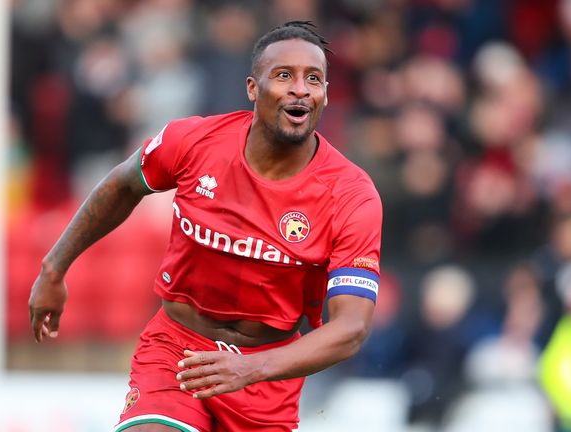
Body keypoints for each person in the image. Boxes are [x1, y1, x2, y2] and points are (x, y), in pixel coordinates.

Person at [29, 21, 382, 432]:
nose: (301, 89)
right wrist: (54, 268)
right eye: (284, 75)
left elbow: (351, 327)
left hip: (265, 375)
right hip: (177, 350)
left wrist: (250, 367)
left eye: (314, 79)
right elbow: (121, 185)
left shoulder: (351, 195)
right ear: (253, 88)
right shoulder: (193, 142)